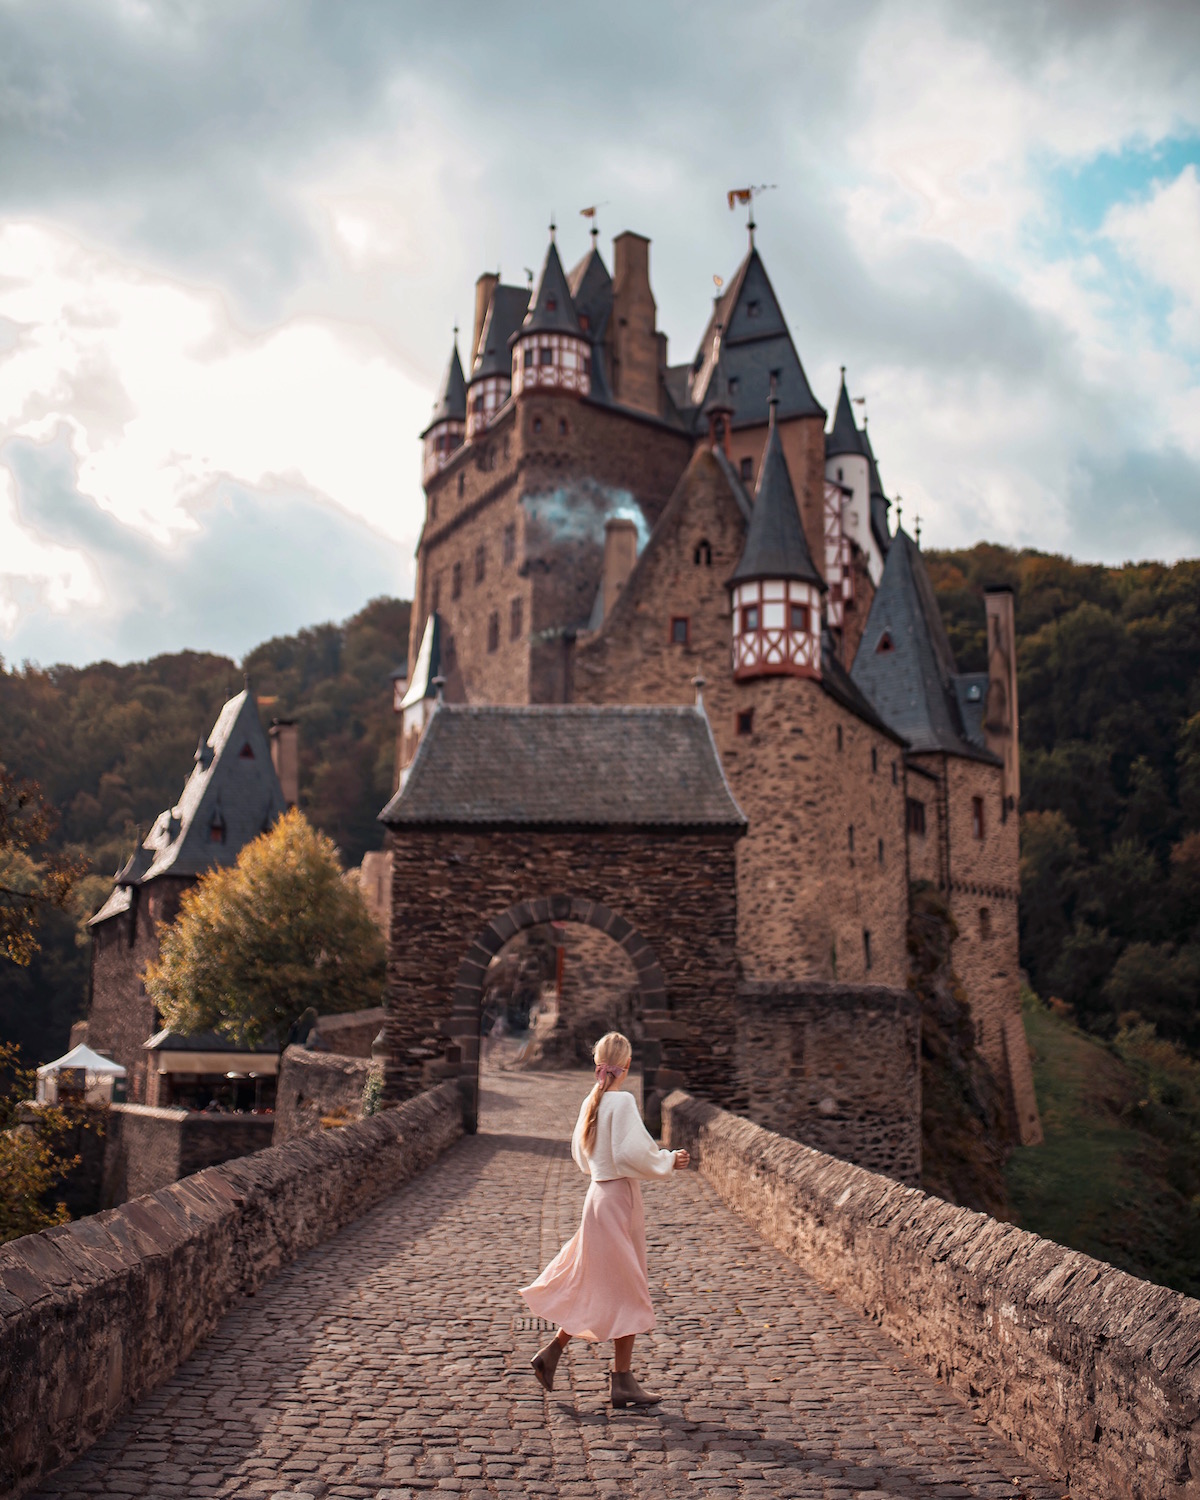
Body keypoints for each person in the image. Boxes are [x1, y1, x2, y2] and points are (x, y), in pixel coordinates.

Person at [519, 1030, 690, 1408]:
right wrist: (669, 1160)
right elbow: (633, 1153)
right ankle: (621, 1380)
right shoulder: (622, 1102)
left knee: (602, 1280)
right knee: (626, 1286)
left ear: (597, 1064)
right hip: (617, 1200)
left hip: (597, 1196)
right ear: (626, 1067)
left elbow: (582, 1156)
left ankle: (554, 1353)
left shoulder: (591, 1102)